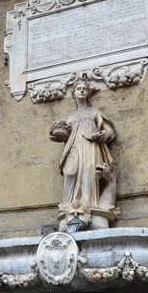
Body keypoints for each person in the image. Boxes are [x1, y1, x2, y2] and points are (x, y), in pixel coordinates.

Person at [49, 80, 117, 224]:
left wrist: (105, 133)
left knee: (88, 172)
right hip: (73, 147)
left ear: (88, 93)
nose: (81, 91)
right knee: (69, 172)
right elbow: (66, 134)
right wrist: (57, 136)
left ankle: (89, 205)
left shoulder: (94, 112)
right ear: (73, 93)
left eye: (84, 89)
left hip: (90, 146)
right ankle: (68, 206)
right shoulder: (71, 116)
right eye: (78, 88)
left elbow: (109, 129)